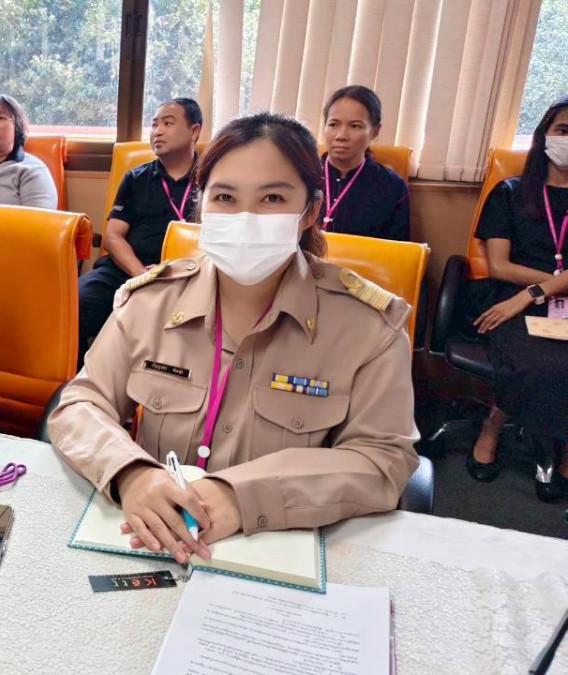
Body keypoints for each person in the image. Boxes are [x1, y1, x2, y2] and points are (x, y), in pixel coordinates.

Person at [47, 112, 419, 565]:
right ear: (201, 205)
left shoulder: (368, 326)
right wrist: (132, 473)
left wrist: (243, 496)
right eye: (225, 197)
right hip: (152, 545)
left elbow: (383, 459)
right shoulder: (150, 301)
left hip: (279, 556)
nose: (246, 218)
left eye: (272, 198)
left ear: (310, 212)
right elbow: (81, 403)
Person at [468, 95, 568, 501]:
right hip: (510, 298)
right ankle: (493, 423)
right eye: (563, 130)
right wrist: (554, 284)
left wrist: (542, 289)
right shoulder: (510, 192)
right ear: (544, 135)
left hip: (534, 294)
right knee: (533, 361)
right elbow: (499, 265)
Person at [77, 97, 203, 366]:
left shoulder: (212, 180)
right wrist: (141, 275)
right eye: (154, 124)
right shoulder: (136, 178)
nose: (157, 131)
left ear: (194, 131)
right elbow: (113, 236)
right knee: (79, 302)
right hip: (128, 270)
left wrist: (172, 273)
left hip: (189, 275)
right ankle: (80, 380)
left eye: (168, 123)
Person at [319, 85, 410, 241]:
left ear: (375, 132)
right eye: (333, 124)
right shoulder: (301, 176)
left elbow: (397, 250)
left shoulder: (393, 187)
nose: (341, 136)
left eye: (355, 126)